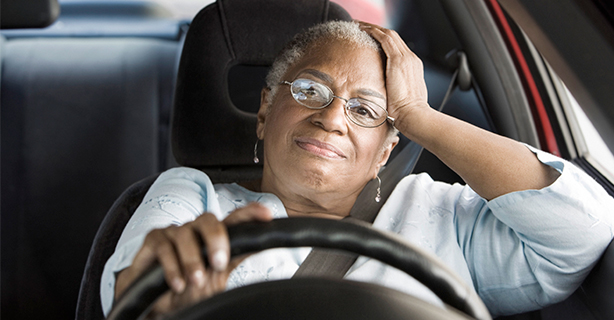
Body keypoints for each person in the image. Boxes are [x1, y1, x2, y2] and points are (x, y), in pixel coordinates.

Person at [101, 20, 614, 317]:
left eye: (365, 111)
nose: (330, 119)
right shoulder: (195, 198)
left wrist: (420, 118)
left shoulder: (441, 214)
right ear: (263, 112)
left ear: (386, 150)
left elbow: (582, 232)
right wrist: (170, 299)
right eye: (309, 91)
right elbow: (132, 293)